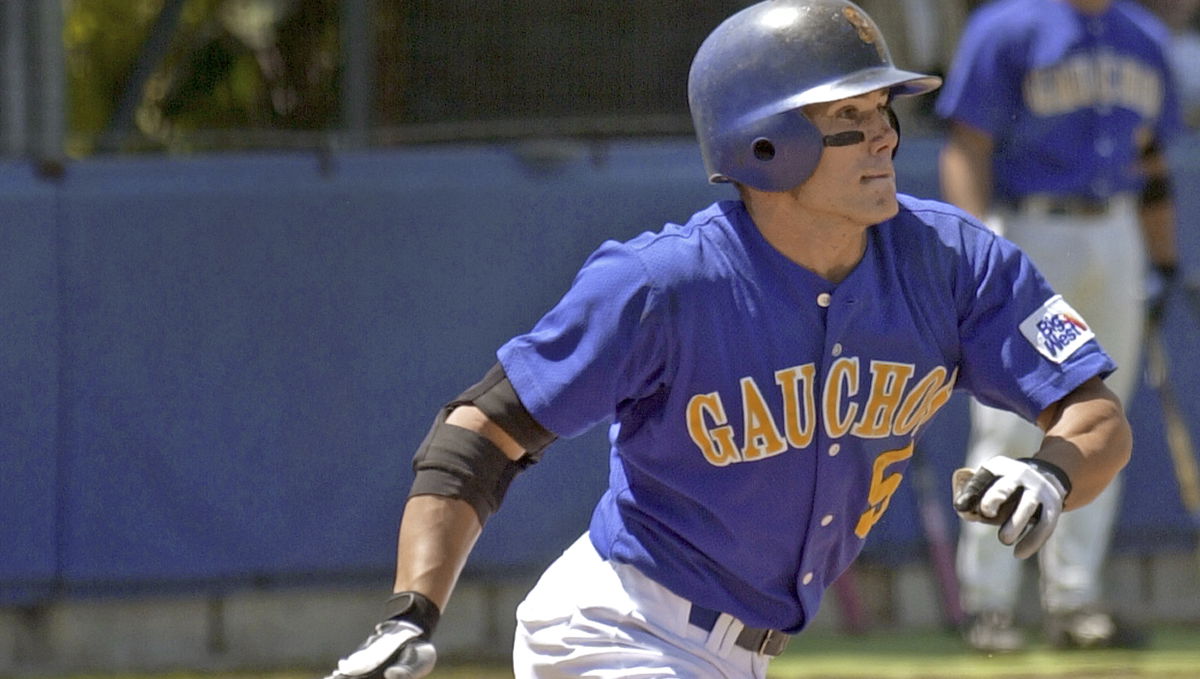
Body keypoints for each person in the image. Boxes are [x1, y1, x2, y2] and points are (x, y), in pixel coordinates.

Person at [325, 1, 1132, 677]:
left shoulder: (957, 261)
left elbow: (1095, 414)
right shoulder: (661, 284)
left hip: (741, 656)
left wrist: (1051, 473)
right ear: (766, 143)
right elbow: (478, 431)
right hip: (616, 632)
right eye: (849, 116)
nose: (885, 133)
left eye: (883, 109)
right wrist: (410, 613)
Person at [936, 0, 1182, 653]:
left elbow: (1152, 160)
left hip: (1116, 230)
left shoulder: (1142, 36)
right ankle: (988, 603)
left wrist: (1162, 259)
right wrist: (975, 244)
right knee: (1008, 415)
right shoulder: (1009, 25)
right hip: (1031, 228)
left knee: (1104, 419)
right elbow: (967, 144)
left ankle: (1075, 602)